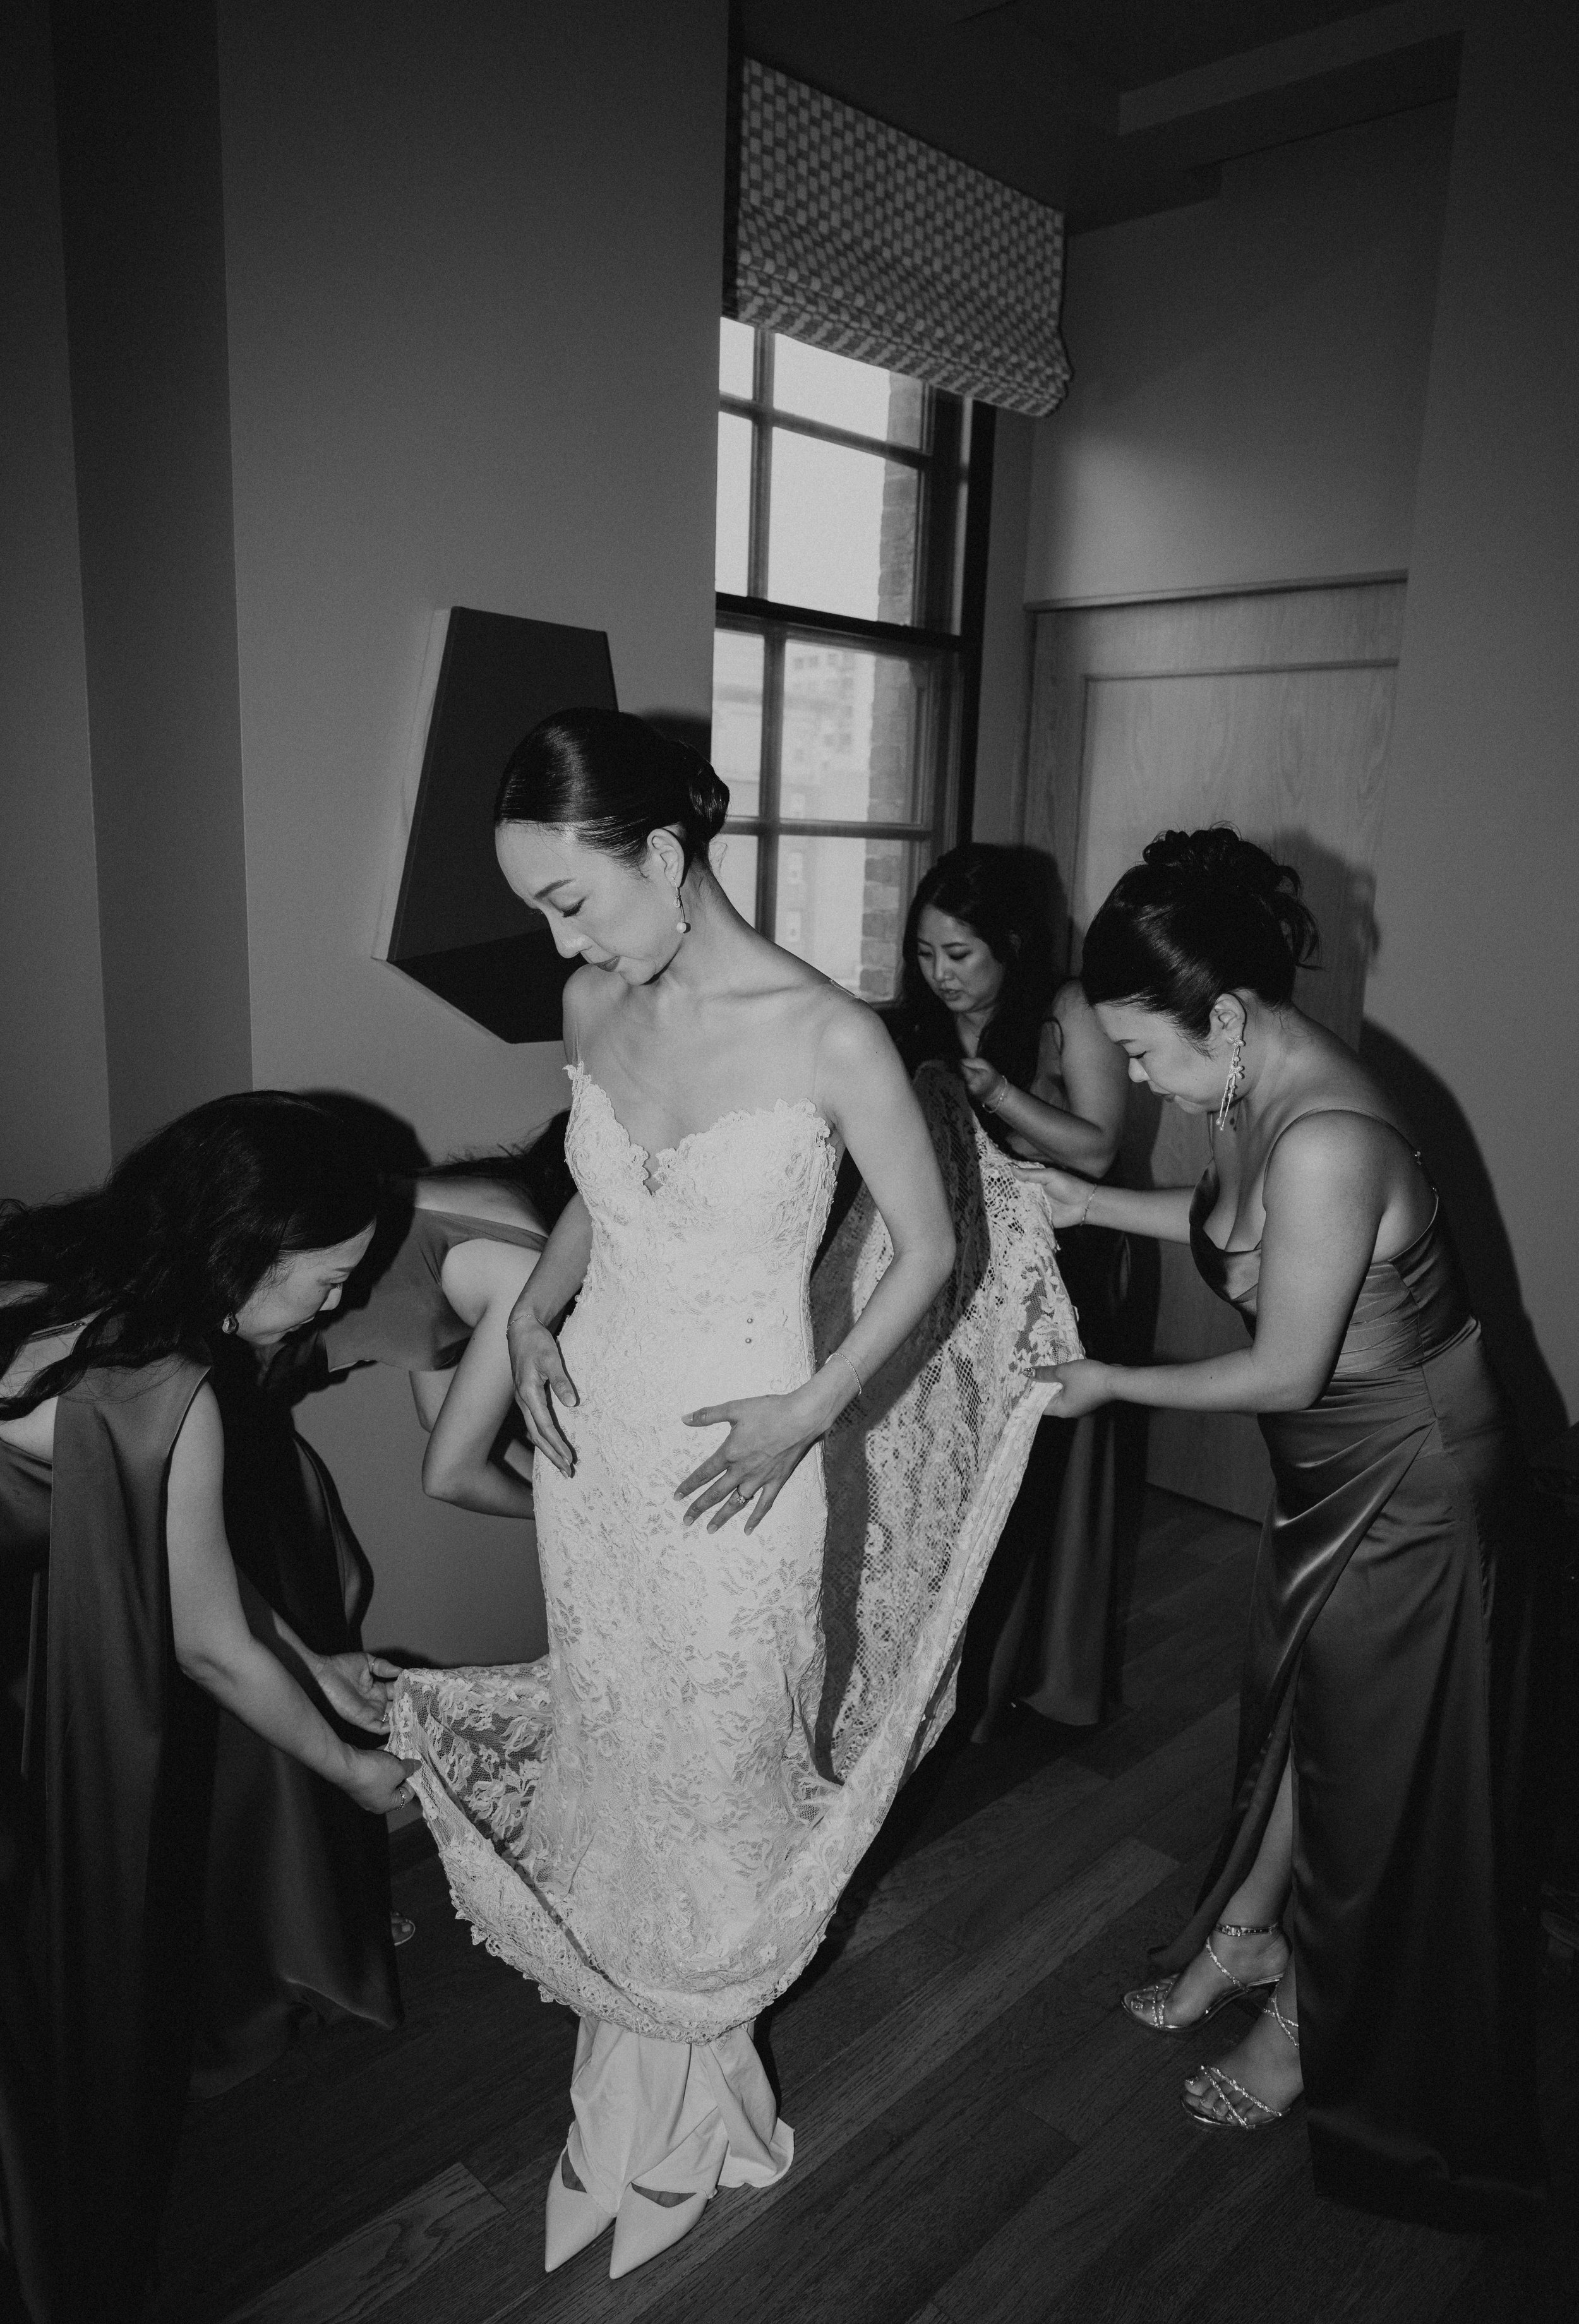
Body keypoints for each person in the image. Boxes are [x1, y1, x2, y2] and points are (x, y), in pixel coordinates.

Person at [387, 709, 1079, 2280]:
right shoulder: (591, 997)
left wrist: (810, 1411)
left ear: (667, 852)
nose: (558, 935)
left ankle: (696, 2109)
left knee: (719, 1760)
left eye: (574, 895)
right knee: (621, 1743)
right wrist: (538, 1310)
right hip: (604, 1450)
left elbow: (931, 1251)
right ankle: (619, 2090)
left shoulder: (827, 1031)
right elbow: (594, 1190)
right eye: (540, 906)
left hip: (747, 1452)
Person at [1018, 828, 1541, 2227]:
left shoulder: (1327, 1135)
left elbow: (1282, 1364)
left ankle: (1308, 2026)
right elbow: (1223, 1235)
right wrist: (1081, 1198)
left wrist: (1109, 1382)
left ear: (1230, 1018)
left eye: (1143, 1053)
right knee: (1318, 1715)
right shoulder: (1253, 1094)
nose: (1134, 1079)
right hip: (1336, 1471)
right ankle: (1247, 1934)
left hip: (1412, 1483)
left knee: (1374, 1765)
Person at [0, 1093, 413, 2323]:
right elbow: (209, 1645)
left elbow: (180, 1572)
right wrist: (346, 1772)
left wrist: (318, 1665)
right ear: (243, 1253)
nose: (339, 1306)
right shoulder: (163, 1384)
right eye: (326, 1279)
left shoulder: (70, 1268)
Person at [893, 844, 1132, 1730]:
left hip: (1061, 1259)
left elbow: (1098, 1146)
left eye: (960, 954)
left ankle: (1032, 1674)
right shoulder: (910, 1022)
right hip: (954, 1262)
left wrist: (999, 1095)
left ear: (1013, 943)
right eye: (925, 952)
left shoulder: (1069, 1009)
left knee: (1040, 1467)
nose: (940, 974)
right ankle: (940, 1685)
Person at [282, 1115, 573, 1519]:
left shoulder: (491, 1197)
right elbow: (449, 1477)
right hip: (250, 1359)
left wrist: (566, 1483)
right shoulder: (530, 1271)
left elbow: (438, 1416)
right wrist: (578, 1520)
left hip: (257, 1356)